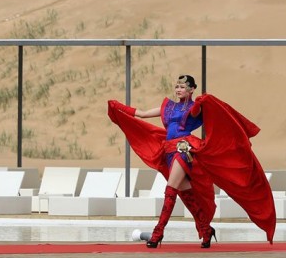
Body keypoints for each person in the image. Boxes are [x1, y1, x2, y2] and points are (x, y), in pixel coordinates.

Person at [108, 74, 276, 248]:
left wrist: (203, 101)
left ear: (191, 89)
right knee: (186, 194)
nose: (179, 90)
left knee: (171, 189)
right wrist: (117, 106)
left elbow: (198, 110)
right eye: (177, 87)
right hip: (168, 151)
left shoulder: (194, 108)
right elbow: (141, 114)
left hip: (183, 149)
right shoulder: (168, 107)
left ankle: (158, 233)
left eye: (183, 87)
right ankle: (206, 229)